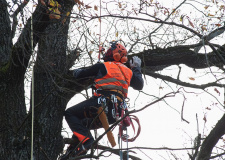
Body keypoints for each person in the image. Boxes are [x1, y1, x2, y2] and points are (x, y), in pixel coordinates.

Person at [60, 41, 144, 159]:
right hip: (114, 114)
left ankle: (87, 141)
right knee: (82, 125)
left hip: (100, 104)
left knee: (70, 113)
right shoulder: (128, 71)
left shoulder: (103, 66)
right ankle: (74, 151)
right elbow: (139, 84)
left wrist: (77, 72)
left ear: (114, 54)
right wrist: (136, 68)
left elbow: (81, 74)